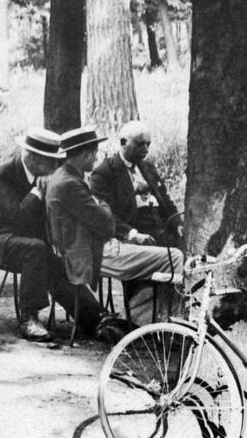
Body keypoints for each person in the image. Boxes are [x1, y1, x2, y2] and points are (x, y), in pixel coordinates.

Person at [47, 126, 183, 328]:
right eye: (94, 153)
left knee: (172, 253)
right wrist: (102, 206)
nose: (96, 158)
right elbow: (107, 225)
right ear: (85, 154)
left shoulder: (65, 177)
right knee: (174, 257)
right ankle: (165, 323)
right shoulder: (70, 183)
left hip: (91, 245)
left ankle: (154, 320)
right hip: (91, 252)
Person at [0, 129, 81, 342]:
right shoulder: (0, 176)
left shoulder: (43, 174)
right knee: (36, 249)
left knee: (58, 263)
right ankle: (28, 318)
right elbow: (19, 217)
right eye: (51, 162)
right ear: (32, 158)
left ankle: (95, 319)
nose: (55, 168)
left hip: (27, 241)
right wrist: (38, 192)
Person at [88, 120, 182, 249]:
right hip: (134, 235)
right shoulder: (104, 173)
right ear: (123, 143)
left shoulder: (148, 167)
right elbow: (105, 215)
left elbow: (165, 199)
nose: (146, 149)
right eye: (140, 144)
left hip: (163, 229)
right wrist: (132, 234)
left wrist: (177, 223)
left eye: (148, 144)